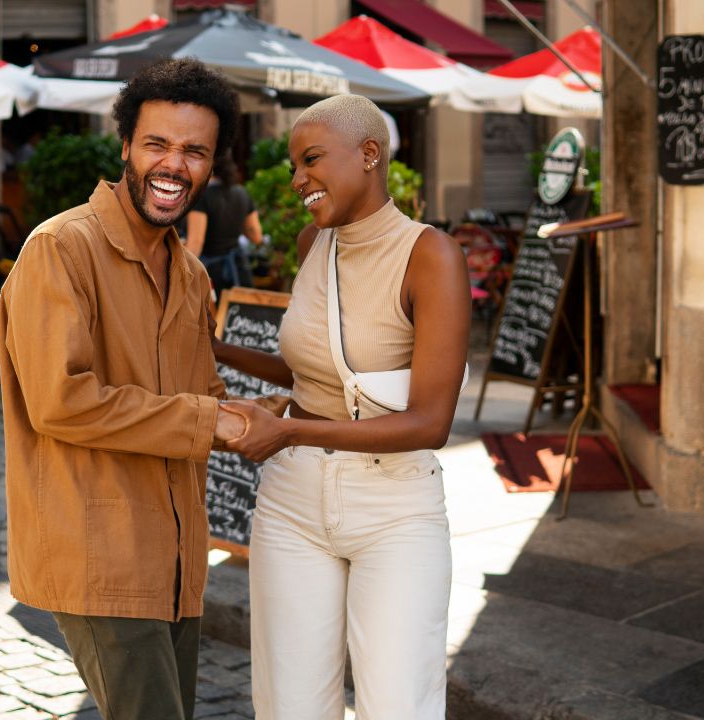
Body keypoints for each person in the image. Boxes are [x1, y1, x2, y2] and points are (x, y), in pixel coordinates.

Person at [0, 59, 251, 720]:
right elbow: (61, 400)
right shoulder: (60, 248)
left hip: (174, 557)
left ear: (211, 164)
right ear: (125, 149)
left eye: (194, 150)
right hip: (97, 552)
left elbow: (202, 395)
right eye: (158, 144)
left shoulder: (191, 274)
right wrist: (211, 421)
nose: (175, 164)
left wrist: (284, 415)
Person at [217, 94, 471, 719]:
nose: (298, 178)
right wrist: (216, 348)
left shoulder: (430, 255)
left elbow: (429, 423)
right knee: (291, 705)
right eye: (292, 166)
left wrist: (288, 431)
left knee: (398, 705)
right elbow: (316, 369)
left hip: (394, 509)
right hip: (292, 505)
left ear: (368, 154)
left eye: (310, 160)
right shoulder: (313, 243)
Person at [184, 153, 263, 297]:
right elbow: (256, 237)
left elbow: (196, 243)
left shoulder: (202, 196)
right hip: (240, 270)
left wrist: (181, 275)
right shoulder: (242, 193)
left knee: (215, 319)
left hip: (213, 274)